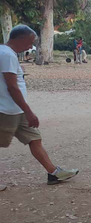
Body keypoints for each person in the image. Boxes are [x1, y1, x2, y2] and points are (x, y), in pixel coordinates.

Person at [1, 25, 79, 185]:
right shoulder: (7, 55)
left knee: (34, 138)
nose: (31, 47)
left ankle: (53, 173)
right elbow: (12, 87)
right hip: (6, 110)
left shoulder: (7, 53)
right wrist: (29, 111)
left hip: (17, 109)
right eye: (30, 42)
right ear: (20, 39)